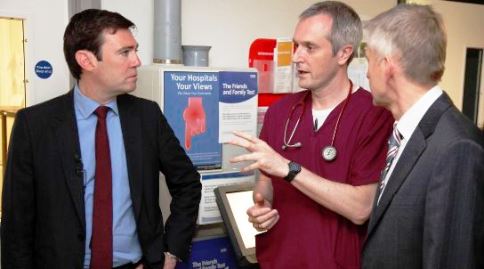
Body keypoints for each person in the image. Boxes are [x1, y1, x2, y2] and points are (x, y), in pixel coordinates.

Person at [1, 9, 202, 269]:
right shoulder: (35, 125)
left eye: (135, 50)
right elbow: (16, 223)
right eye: (124, 52)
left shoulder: (147, 116)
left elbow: (187, 183)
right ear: (86, 60)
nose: (136, 61)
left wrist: (171, 252)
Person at [227, 1, 394, 268]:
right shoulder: (281, 112)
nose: (296, 57)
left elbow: (361, 208)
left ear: (344, 54)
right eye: (296, 45)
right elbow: (266, 183)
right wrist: (262, 206)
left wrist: (288, 168)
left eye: (310, 47)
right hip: (277, 260)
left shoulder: (374, 115)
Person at [362, 4, 484, 268]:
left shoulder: (456, 147)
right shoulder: (408, 133)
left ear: (387, 65)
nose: (367, 72)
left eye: (368, 59)